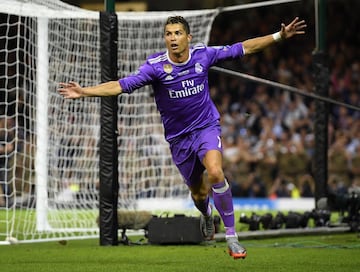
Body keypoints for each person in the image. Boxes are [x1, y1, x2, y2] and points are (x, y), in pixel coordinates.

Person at [58, 15, 306, 259]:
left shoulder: (203, 55)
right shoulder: (155, 67)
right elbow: (122, 85)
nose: (173, 38)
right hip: (179, 139)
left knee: (216, 173)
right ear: (165, 39)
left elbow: (243, 48)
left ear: (188, 37)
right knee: (198, 194)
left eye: (177, 33)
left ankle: (232, 237)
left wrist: (279, 36)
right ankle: (207, 214)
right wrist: (84, 92)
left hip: (206, 127)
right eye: (169, 34)